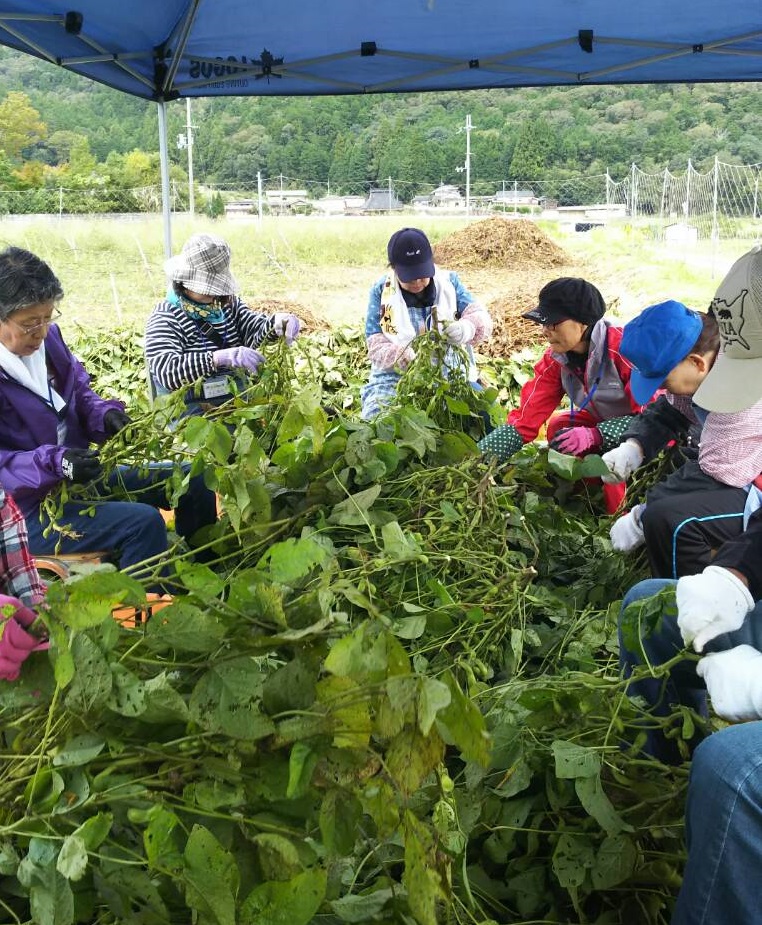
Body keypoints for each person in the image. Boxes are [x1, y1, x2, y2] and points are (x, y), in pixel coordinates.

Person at [0, 245, 217, 586]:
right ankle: (146, 616)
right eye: (30, 324)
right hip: (21, 512)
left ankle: (208, 575)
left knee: (193, 477)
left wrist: (106, 418)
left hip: (73, 480)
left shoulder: (48, 341)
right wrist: (54, 463)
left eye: (47, 318)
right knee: (142, 523)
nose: (41, 332)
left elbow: (78, 393)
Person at [608, 259, 762, 578]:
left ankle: (696, 602)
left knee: (671, 520)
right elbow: (668, 409)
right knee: (665, 512)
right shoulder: (703, 365)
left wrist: (643, 514)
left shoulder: (739, 389)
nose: (662, 389)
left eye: (663, 380)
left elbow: (716, 474)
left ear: (696, 362)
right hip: (732, 469)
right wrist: (634, 446)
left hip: (750, 479)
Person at [478, 277, 643, 513]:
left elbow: (651, 417)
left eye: (553, 323)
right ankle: (586, 493)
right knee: (560, 425)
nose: (546, 331)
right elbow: (525, 420)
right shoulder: (556, 358)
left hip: (644, 433)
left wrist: (597, 435)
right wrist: (479, 460)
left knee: (613, 467)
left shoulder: (624, 349)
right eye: (543, 324)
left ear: (583, 323)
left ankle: (619, 522)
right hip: (602, 421)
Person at [145, 233, 301, 417]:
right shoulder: (166, 316)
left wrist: (276, 324)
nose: (213, 295)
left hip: (235, 398)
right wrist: (217, 358)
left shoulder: (226, 304)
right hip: (190, 409)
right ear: (184, 282)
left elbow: (252, 328)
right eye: (206, 289)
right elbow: (167, 371)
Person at [359, 227, 493, 420]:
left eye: (422, 274)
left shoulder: (449, 282)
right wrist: (399, 355)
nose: (418, 282)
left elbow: (480, 315)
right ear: (394, 268)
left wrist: (467, 327)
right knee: (379, 419)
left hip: (449, 370)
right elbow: (374, 341)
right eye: (409, 277)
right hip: (397, 376)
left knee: (484, 414)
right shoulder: (382, 290)